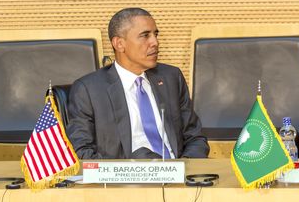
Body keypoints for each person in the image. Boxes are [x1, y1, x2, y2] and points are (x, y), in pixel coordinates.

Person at [66, 8, 209, 159]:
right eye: (145, 35)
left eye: (155, 34)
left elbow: (195, 138)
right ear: (119, 44)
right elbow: (82, 152)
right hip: (126, 179)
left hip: (179, 175)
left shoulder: (171, 78)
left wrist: (182, 169)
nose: (155, 42)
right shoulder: (89, 90)